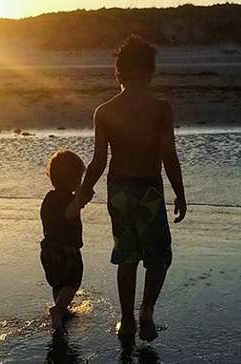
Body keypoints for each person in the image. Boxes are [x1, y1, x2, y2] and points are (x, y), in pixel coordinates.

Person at [67, 35, 187, 342]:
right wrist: (180, 193)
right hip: (149, 190)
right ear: (150, 74)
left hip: (119, 191)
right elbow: (168, 156)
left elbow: (97, 163)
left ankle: (127, 319)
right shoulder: (161, 109)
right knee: (158, 256)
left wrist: (80, 196)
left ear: (117, 74)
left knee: (127, 255)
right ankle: (147, 309)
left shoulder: (105, 111)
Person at [40, 150, 90, 331]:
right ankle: (58, 308)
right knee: (72, 281)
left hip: (48, 249)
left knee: (58, 282)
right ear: (72, 179)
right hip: (67, 249)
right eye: (79, 177)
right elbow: (70, 214)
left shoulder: (49, 197)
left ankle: (61, 309)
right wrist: (81, 199)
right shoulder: (69, 199)